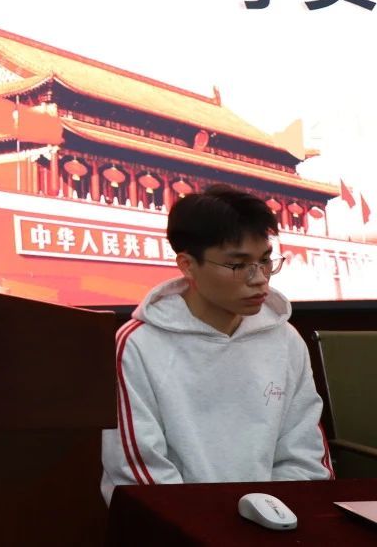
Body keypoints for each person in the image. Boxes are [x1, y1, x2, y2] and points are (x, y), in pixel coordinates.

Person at [101, 184, 334, 503]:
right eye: (238, 265)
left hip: (277, 518)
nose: (259, 278)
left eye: (265, 260)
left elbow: (305, 456)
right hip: (180, 521)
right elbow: (140, 473)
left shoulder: (285, 339)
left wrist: (273, 515)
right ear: (187, 264)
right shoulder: (137, 345)